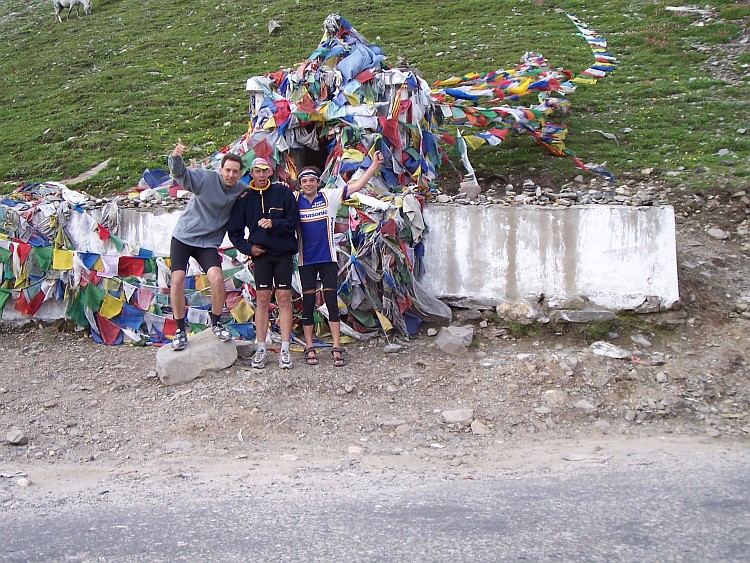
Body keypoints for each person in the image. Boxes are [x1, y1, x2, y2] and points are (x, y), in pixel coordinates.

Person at [295, 150, 384, 367]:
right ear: (300, 184)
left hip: (328, 259)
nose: (308, 184)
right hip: (305, 261)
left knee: (331, 303)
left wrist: (373, 166)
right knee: (307, 305)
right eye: (304, 181)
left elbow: (356, 186)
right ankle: (309, 347)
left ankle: (336, 346)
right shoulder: (294, 200)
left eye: (312, 181)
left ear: (318, 182)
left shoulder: (329, 196)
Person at [167, 138, 248, 351]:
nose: (231, 175)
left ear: (240, 173)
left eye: (235, 171)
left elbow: (261, 195)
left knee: (217, 278)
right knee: (177, 279)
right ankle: (179, 330)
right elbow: (181, 174)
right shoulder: (205, 179)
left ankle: (217, 322)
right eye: (227, 170)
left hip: (208, 243)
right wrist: (176, 157)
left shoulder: (241, 189)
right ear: (220, 170)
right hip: (184, 237)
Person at [228, 157, 300, 369]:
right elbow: (234, 231)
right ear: (251, 173)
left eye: (264, 171)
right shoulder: (245, 199)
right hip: (261, 255)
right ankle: (261, 348)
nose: (261, 175)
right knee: (262, 299)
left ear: (270, 172)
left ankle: (285, 348)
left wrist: (273, 223)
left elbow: (293, 221)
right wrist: (248, 249)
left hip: (283, 253)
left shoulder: (283, 192)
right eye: (256, 171)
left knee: (284, 297)